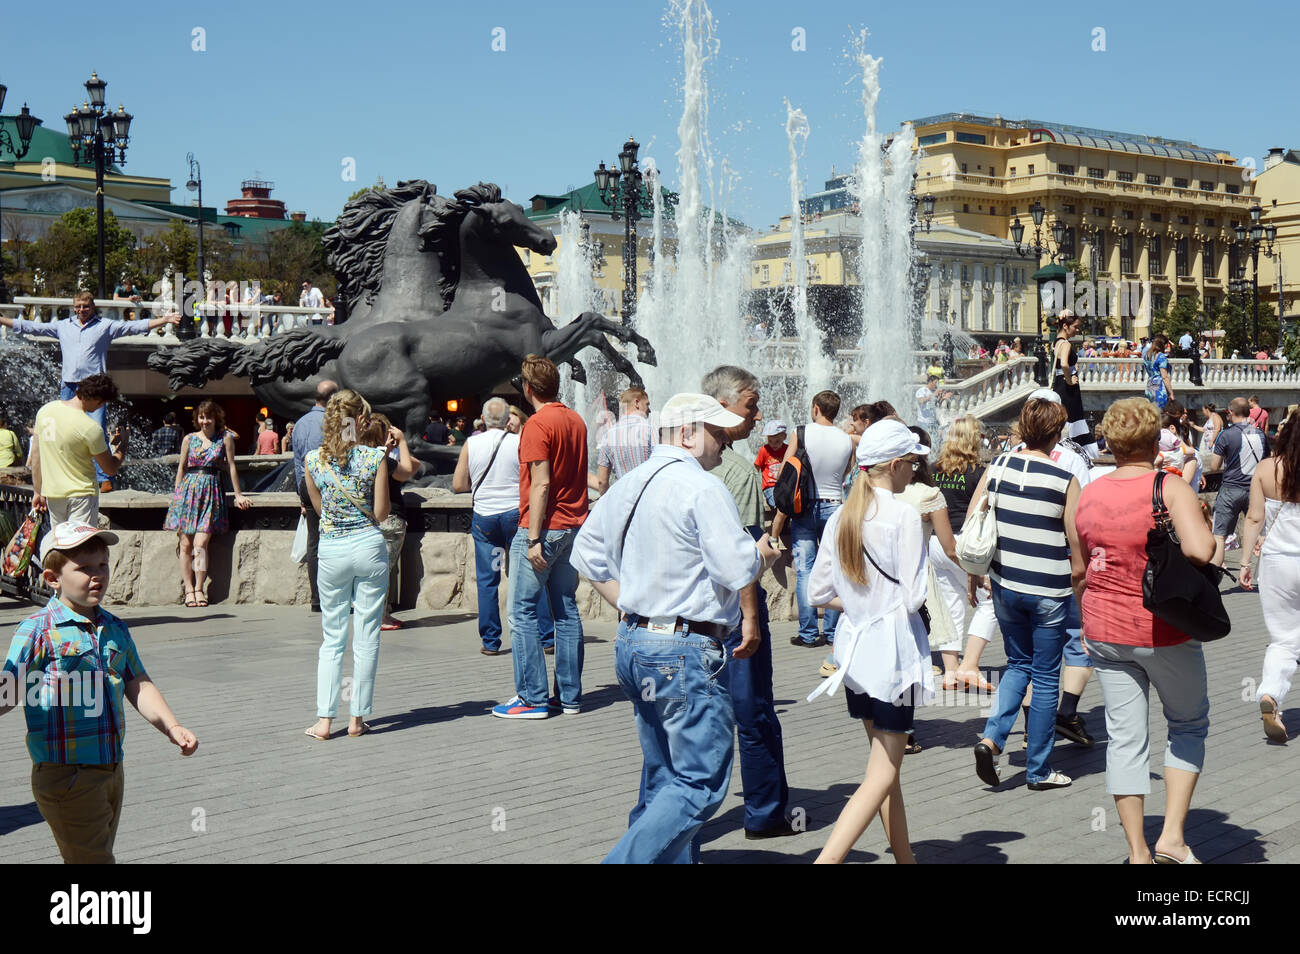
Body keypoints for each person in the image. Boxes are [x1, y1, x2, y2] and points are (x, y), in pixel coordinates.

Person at [571, 392, 781, 862]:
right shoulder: (703, 488)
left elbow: (586, 554)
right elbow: (734, 568)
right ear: (685, 433)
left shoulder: (631, 482)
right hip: (684, 649)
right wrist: (762, 556)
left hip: (636, 644)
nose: (725, 441)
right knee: (699, 784)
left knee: (665, 775)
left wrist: (629, 608)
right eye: (716, 431)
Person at [1066, 397, 1215, 864]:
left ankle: (1137, 852)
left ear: (1109, 441)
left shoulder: (1089, 493)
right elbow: (1201, 551)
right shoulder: (1169, 488)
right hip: (1164, 628)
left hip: (1105, 629)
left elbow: (1079, 570)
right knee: (1188, 723)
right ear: (1155, 441)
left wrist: (1086, 618)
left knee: (1126, 739)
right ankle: (1171, 835)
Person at [1, 522, 198, 863]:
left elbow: (138, 681)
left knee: (91, 856)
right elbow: (8, 688)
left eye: (103, 564)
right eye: (84, 568)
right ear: (52, 578)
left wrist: (172, 725)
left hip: (111, 767)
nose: (97, 575)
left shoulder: (114, 626)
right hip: (67, 772)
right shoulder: (38, 629)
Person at [806, 420, 931, 864]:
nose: (915, 470)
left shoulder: (843, 514)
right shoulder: (904, 516)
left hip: (854, 653)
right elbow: (914, 597)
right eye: (912, 463)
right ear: (895, 465)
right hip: (893, 654)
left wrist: (859, 605)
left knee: (884, 769)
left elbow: (816, 593)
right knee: (882, 774)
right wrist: (881, 604)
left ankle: (905, 858)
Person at [701, 365, 796, 840]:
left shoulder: (672, 464)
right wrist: (752, 617)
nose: (757, 416)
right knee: (753, 708)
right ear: (723, 405)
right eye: (750, 406)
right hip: (735, 611)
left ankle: (680, 820)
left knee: (693, 721)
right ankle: (766, 811)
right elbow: (739, 554)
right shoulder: (735, 470)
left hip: (685, 615)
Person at [968, 397, 1081, 791]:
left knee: (1018, 664)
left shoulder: (997, 466)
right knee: (1048, 678)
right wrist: (1081, 583)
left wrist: (976, 571)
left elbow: (975, 519)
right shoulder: (1065, 480)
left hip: (1005, 585)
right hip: (1049, 589)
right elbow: (1077, 541)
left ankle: (991, 738)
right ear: (1056, 434)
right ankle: (1038, 769)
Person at [2, 292, 181, 490]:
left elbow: (132, 327)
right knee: (63, 429)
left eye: (85, 306)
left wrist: (163, 320)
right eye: (78, 306)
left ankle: (104, 478)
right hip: (69, 386)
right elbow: (32, 327)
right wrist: (2, 320)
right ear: (73, 307)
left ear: (93, 306)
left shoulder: (105, 326)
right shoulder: (63, 326)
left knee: (97, 429)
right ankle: (65, 472)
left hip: (95, 387)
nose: (81, 310)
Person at [492, 355, 588, 720]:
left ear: (528, 389)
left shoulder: (536, 425)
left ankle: (531, 697)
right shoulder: (575, 420)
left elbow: (542, 482)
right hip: (573, 526)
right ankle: (569, 696)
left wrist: (532, 538)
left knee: (522, 612)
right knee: (565, 610)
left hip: (543, 528)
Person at [303, 389, 391, 741]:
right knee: (366, 636)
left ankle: (324, 721)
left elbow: (320, 509)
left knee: (332, 638)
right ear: (362, 421)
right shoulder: (375, 457)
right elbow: (382, 513)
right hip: (369, 547)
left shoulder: (313, 460)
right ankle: (356, 719)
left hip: (333, 550)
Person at [453, 397, 551, 655]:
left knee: (488, 580)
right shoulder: (519, 442)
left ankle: (491, 641)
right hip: (514, 516)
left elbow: (458, 485)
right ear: (508, 419)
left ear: (483, 420)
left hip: (485, 519)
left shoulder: (471, 443)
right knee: (530, 575)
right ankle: (546, 637)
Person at [771, 390, 855, 649]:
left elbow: (787, 468)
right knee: (834, 569)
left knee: (805, 568)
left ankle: (808, 633)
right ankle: (831, 632)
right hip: (835, 508)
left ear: (816, 408)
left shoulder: (802, 432)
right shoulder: (846, 439)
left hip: (804, 507)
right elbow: (848, 471)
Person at [1239, 414, 1300, 742]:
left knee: (1283, 639)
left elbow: (1253, 517)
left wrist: (1245, 561)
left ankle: (1270, 695)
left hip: (1277, 562)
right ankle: (1271, 694)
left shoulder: (1265, 469)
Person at [164, 400, 252, 607]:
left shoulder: (225, 439)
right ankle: (188, 589)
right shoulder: (189, 439)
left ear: (216, 418)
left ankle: (199, 588)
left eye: (208, 417)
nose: (204, 421)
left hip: (211, 492)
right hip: (188, 493)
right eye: (201, 417)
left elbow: (231, 466)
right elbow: (182, 468)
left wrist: (238, 494)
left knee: (200, 544)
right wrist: (177, 496)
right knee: (185, 544)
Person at [931, 416, 997, 693]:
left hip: (937, 542)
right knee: (990, 602)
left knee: (949, 607)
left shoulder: (935, 469)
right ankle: (970, 664)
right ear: (975, 439)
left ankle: (950, 672)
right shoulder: (980, 472)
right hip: (966, 544)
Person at [31, 374, 127, 527]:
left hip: (53, 494)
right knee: (80, 546)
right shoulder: (91, 428)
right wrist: (123, 444)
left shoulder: (45, 411)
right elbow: (110, 468)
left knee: (60, 544)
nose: (100, 407)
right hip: (81, 495)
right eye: (102, 403)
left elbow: (36, 456)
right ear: (98, 400)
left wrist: (37, 491)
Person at [361, 413, 417, 631]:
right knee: (383, 570)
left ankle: (375, 613)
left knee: (372, 570)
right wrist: (402, 442)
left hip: (367, 519)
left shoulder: (359, 457)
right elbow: (409, 470)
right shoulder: (383, 460)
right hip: (390, 519)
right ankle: (380, 617)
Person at [293, 380, 340, 613]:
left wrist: (302, 496)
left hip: (307, 484)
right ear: (332, 399)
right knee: (339, 537)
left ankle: (317, 599)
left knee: (314, 542)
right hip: (332, 485)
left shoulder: (300, 424)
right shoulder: (338, 422)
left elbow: (297, 463)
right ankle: (338, 595)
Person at [1209, 397, 1268, 566]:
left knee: (1219, 535)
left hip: (1230, 488)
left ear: (1231, 413)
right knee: (1260, 533)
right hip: (1255, 490)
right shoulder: (1260, 435)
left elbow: (1214, 466)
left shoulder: (1226, 435)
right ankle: (1260, 573)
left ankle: (1215, 578)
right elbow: (1266, 462)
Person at [1051, 310, 1099, 457]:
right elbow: (1064, 364)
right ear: (1065, 326)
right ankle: (1088, 454)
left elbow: (1061, 363)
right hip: (1068, 388)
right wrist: (1069, 378)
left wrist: (1071, 368)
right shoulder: (1065, 344)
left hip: (1059, 385)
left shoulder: (1056, 342)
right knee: (1074, 418)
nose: (1077, 330)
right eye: (1075, 327)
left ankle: (1063, 450)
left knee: (1066, 419)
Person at [590, 388, 654, 495]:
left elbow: (602, 481)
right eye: (647, 404)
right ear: (637, 403)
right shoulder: (650, 428)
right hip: (648, 498)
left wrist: (607, 500)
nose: (650, 410)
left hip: (622, 501)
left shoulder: (607, 435)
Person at [754, 419, 788, 509]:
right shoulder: (764, 450)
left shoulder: (788, 450)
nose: (773, 445)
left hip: (784, 484)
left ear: (784, 437)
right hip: (770, 486)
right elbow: (756, 467)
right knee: (777, 504)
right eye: (770, 441)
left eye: (777, 441)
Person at [1142, 333, 1174, 410]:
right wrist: (1171, 393)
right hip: (1159, 387)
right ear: (1163, 344)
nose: (1167, 346)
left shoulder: (1147, 355)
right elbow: (1164, 376)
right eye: (1166, 344)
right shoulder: (1161, 356)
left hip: (1150, 386)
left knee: (1150, 413)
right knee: (1160, 413)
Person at [915, 372, 949, 443]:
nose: (937, 385)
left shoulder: (934, 391)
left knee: (936, 442)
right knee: (925, 442)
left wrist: (942, 399)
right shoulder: (922, 390)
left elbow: (936, 406)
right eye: (935, 382)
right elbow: (920, 401)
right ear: (930, 382)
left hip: (933, 422)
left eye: (938, 383)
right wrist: (933, 395)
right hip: (924, 422)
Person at [1188, 402, 1223, 472]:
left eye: (1203, 410)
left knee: (1214, 462)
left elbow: (1217, 428)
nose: (1203, 412)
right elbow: (1203, 430)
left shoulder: (1215, 416)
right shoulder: (1209, 419)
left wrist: (1212, 441)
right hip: (1209, 444)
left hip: (1214, 443)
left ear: (1207, 409)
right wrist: (1193, 426)